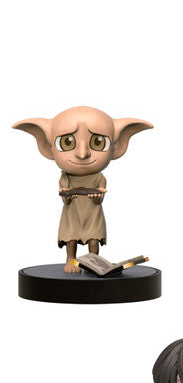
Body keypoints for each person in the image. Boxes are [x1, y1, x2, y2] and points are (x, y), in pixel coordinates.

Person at [13, 106, 152, 272]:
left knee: (94, 238)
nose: (82, 153)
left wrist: (97, 196)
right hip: (72, 213)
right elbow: (65, 200)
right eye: (67, 142)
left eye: (98, 142)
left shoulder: (99, 178)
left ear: (118, 145)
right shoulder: (65, 178)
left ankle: (93, 262)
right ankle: (71, 260)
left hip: (92, 213)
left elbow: (100, 197)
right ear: (47, 146)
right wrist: (65, 195)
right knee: (70, 237)